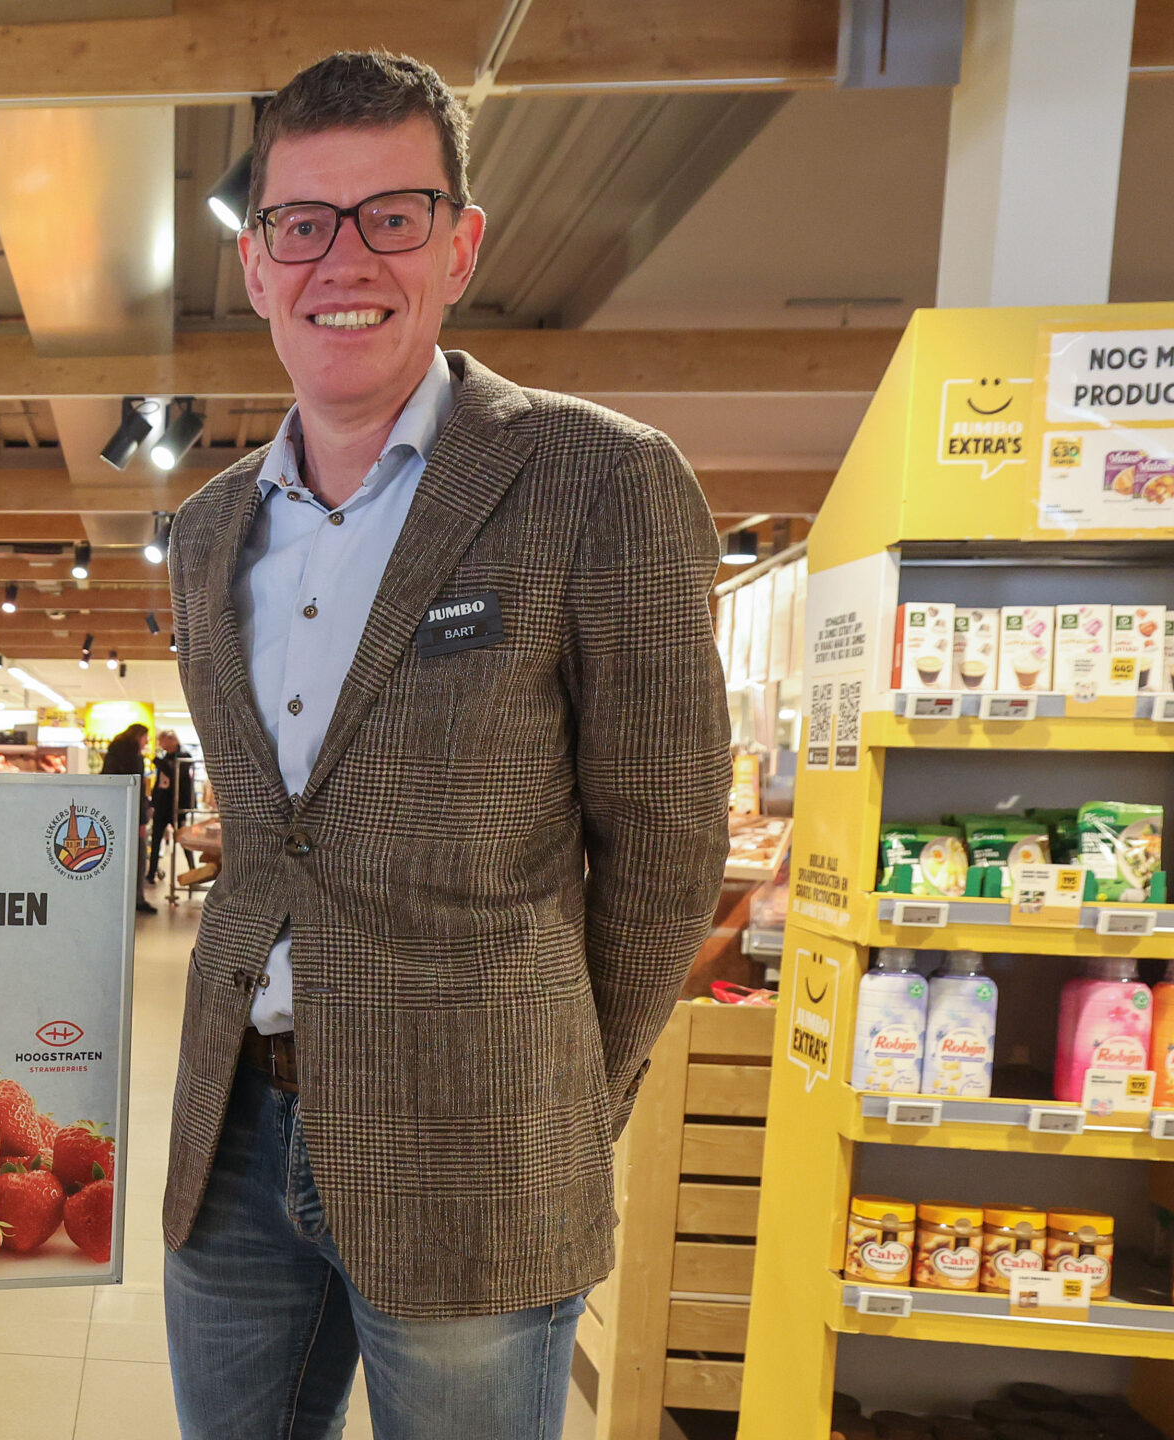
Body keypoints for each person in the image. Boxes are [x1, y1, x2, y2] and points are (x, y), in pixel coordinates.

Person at [159, 51, 728, 1440]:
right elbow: (268, 834)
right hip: (231, 1137)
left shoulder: (600, 480)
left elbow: (665, 841)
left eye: (391, 215)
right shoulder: (210, 528)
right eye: (302, 222)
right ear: (257, 264)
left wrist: (561, 1092)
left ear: (460, 245)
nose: (341, 259)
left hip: (476, 1143)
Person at [97, 723, 157, 913]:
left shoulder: (113, 753)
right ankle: (137, 899)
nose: (147, 741)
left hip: (113, 811)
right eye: (145, 737)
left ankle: (115, 898)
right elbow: (136, 789)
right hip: (131, 814)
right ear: (138, 736)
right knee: (138, 857)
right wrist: (141, 820)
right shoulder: (134, 756)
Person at [146, 730, 194, 884]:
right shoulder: (166, 757)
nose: (160, 744)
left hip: (177, 806)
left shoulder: (183, 757)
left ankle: (193, 870)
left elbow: (176, 776)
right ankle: (151, 872)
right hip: (162, 805)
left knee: (183, 838)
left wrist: (159, 763)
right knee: (156, 839)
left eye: (162, 740)